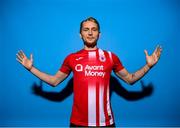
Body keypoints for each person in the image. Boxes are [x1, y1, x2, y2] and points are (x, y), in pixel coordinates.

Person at [16, 17, 162, 127]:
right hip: (78, 123)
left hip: (105, 123)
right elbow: (54, 81)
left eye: (94, 29)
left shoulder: (111, 57)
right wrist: (31, 68)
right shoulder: (71, 58)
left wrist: (148, 66)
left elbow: (130, 79)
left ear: (99, 34)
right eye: (86, 30)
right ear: (80, 35)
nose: (90, 33)